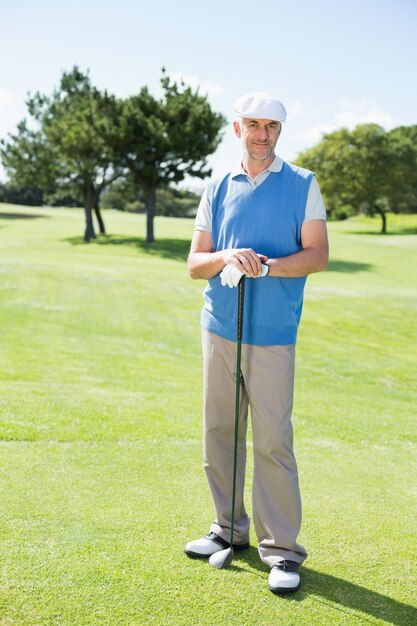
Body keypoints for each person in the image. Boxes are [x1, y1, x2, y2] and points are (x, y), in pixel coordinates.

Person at [185, 91, 329, 594]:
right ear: (237, 128)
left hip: (272, 333)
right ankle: (227, 528)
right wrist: (226, 257)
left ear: (280, 132)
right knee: (220, 430)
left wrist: (265, 266)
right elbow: (194, 262)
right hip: (219, 326)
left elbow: (316, 255)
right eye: (253, 124)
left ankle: (283, 551)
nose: (261, 134)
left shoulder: (303, 185)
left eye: (270, 126)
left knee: (271, 439)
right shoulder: (218, 187)